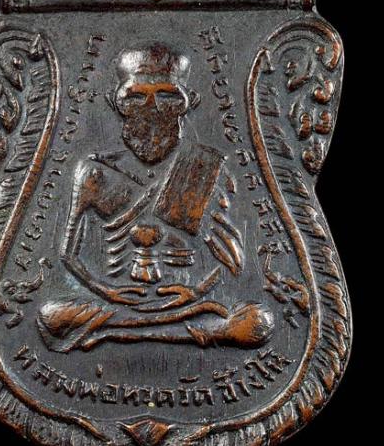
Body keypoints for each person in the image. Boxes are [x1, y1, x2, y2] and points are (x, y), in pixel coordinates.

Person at [38, 44, 274, 353]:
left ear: (190, 102)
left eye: (168, 96)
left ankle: (114, 332)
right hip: (117, 300)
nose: (152, 108)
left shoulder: (203, 167)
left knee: (259, 320)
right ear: (114, 102)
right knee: (51, 315)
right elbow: (68, 254)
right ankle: (193, 331)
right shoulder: (95, 172)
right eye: (135, 97)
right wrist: (108, 291)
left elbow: (231, 258)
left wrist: (195, 291)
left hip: (184, 299)